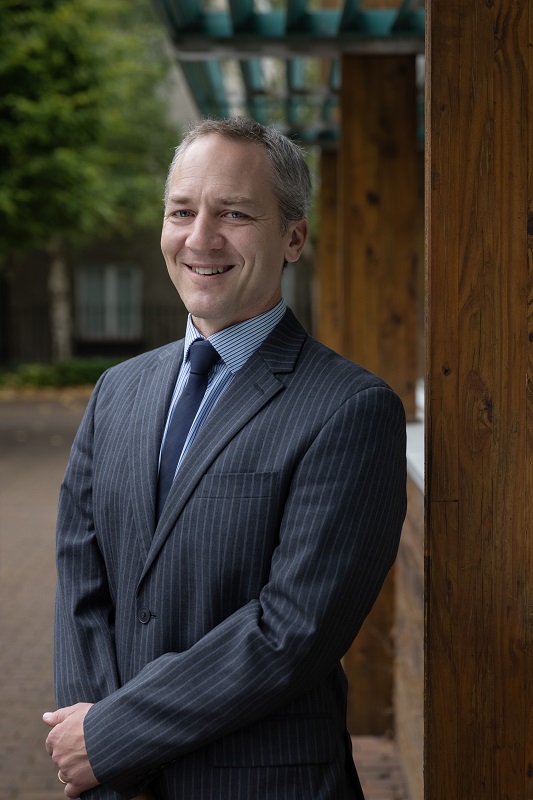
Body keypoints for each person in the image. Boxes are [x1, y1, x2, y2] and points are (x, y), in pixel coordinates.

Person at [44, 117, 407, 800]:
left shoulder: (352, 409)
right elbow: (80, 575)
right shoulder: (115, 391)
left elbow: (292, 630)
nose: (200, 237)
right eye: (182, 211)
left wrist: (115, 733)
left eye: (234, 214)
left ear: (293, 237)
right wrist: (97, 742)